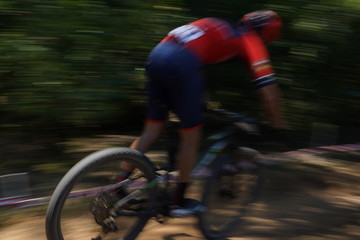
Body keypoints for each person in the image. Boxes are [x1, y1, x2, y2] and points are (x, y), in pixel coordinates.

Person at [128, 10, 287, 213]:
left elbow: (195, 56)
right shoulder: (251, 40)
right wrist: (277, 124)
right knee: (191, 136)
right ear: (266, 34)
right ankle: (177, 202)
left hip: (158, 54)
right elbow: (270, 94)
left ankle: (116, 188)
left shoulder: (219, 25)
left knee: (152, 130)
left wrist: (203, 99)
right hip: (182, 63)